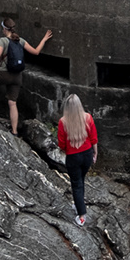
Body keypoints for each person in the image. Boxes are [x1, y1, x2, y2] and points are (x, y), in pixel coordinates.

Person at [0, 16, 53, 134]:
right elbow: (36, 52)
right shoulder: (20, 40)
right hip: (17, 76)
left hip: (4, 74)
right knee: (12, 103)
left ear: (4, 29)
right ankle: (14, 131)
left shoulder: (3, 41)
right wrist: (44, 39)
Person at [56, 93, 98, 226]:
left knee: (77, 184)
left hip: (73, 156)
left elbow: (61, 144)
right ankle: (80, 206)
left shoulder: (63, 122)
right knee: (81, 180)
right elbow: (94, 138)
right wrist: (95, 154)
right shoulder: (88, 118)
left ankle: (81, 216)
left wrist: (66, 150)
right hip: (87, 154)